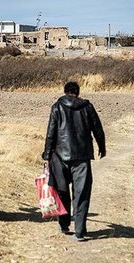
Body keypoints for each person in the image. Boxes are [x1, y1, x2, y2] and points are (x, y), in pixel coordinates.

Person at [42, 81, 106, 241]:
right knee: (81, 193)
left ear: (65, 92)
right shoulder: (87, 106)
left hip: (60, 157)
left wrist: (47, 154)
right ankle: (80, 232)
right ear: (77, 92)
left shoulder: (57, 106)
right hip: (82, 157)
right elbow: (98, 128)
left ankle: (64, 225)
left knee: (62, 191)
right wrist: (102, 147)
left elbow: (51, 132)